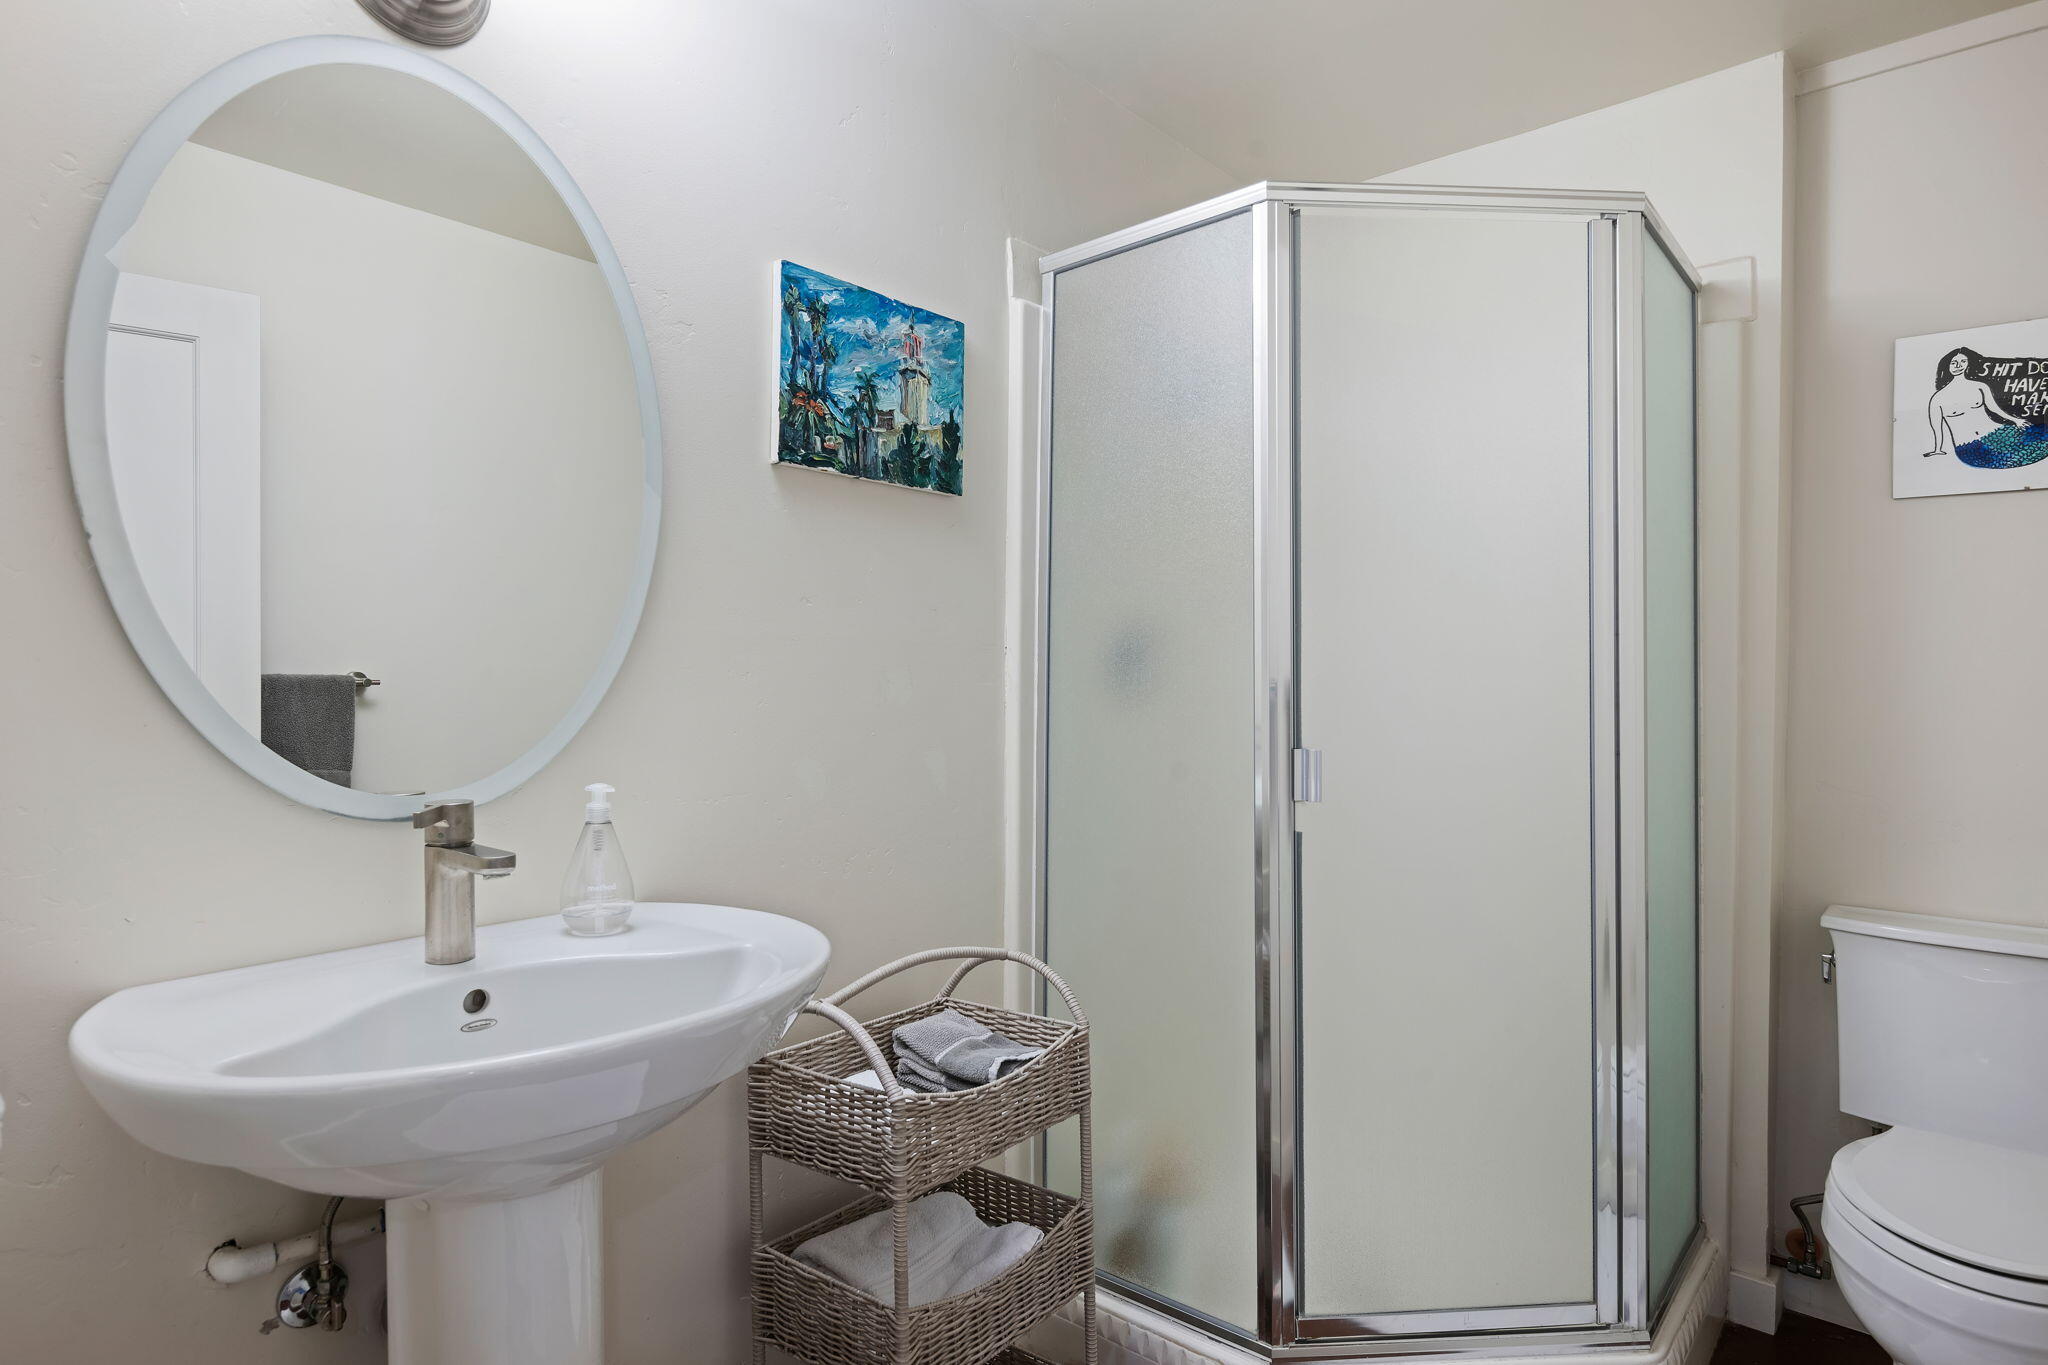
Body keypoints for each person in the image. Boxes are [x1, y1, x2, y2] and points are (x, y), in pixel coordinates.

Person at [1927, 347, 2048, 469]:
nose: (1958, 365)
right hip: (1969, 448)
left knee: (2040, 431)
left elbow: (1995, 409)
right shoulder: (1938, 398)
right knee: (2020, 453)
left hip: (1996, 434)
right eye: (1954, 362)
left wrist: (2016, 420)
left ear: (1968, 364)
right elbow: (1937, 428)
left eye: (1963, 361)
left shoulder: (1979, 386)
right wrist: (1937, 449)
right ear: (1947, 365)